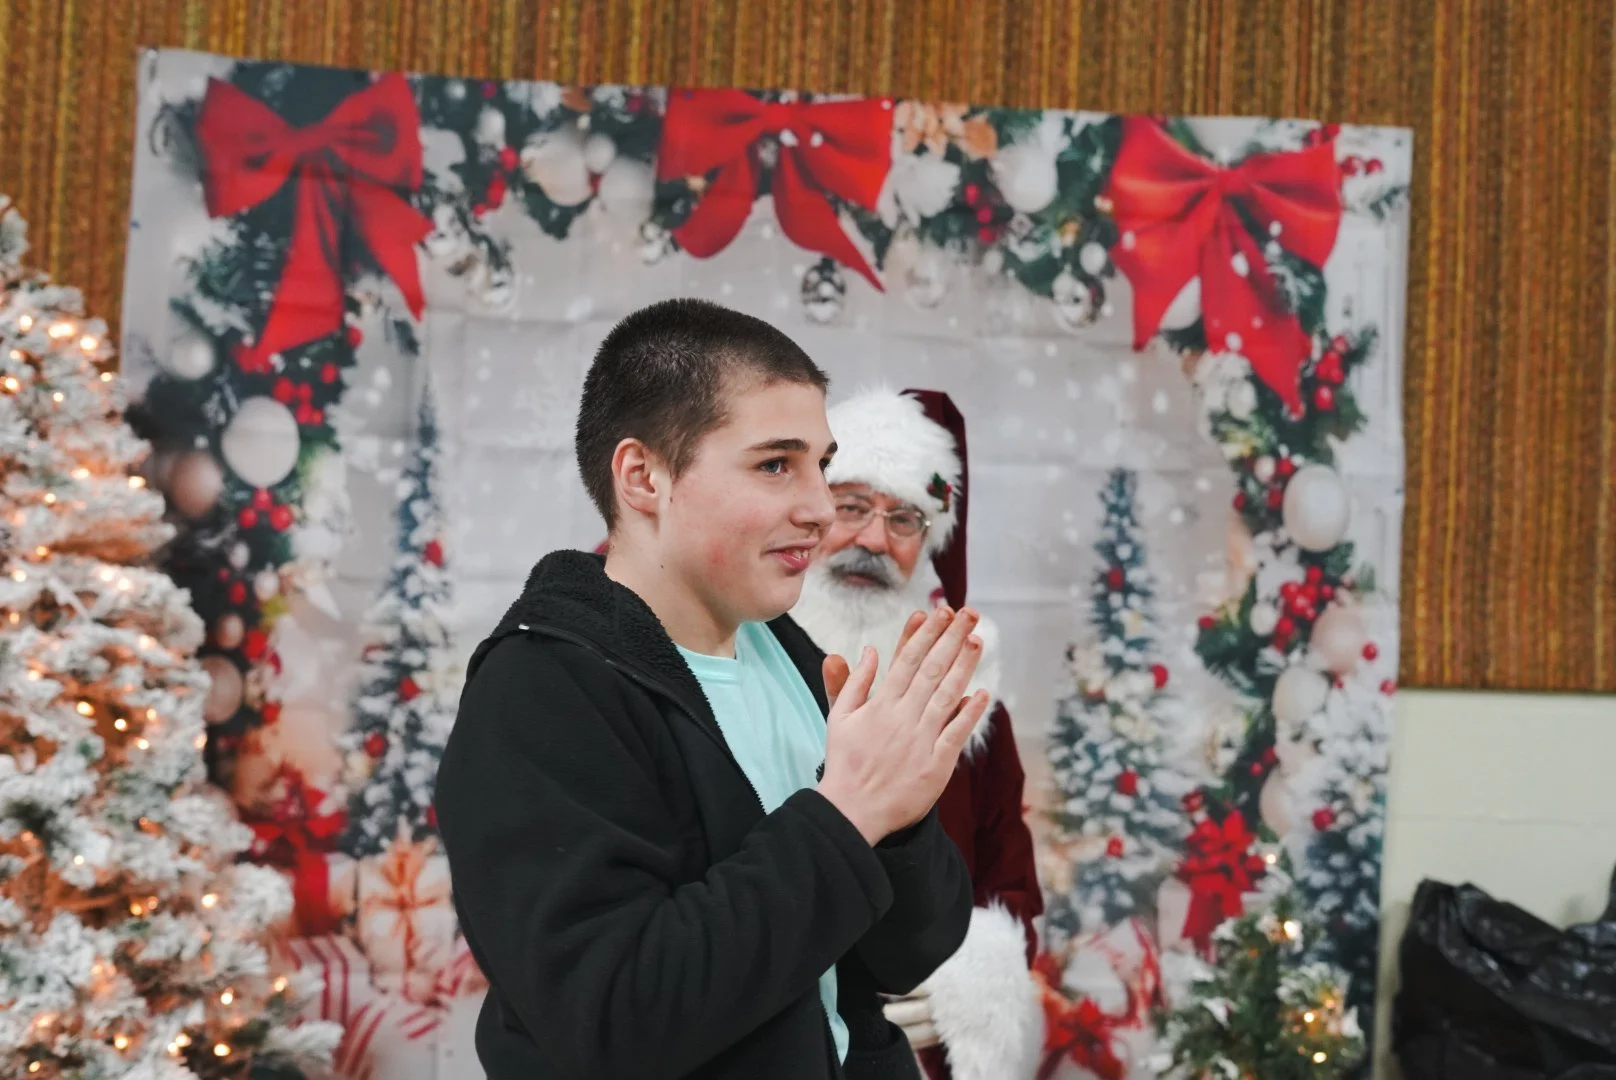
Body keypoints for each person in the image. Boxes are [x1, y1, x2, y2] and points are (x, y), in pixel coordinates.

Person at [434, 299, 986, 1080]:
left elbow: (908, 956)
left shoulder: (793, 657)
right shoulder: (541, 693)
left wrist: (899, 826)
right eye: (775, 465)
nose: (820, 507)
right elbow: (614, 1022)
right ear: (644, 477)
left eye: (821, 464)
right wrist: (847, 814)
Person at [791, 387, 1046, 1080]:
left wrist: (974, 977)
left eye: (904, 518)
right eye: (852, 507)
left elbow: (1010, 877)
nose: (874, 541)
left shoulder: (968, 695)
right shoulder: (742, 657)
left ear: (929, 539)